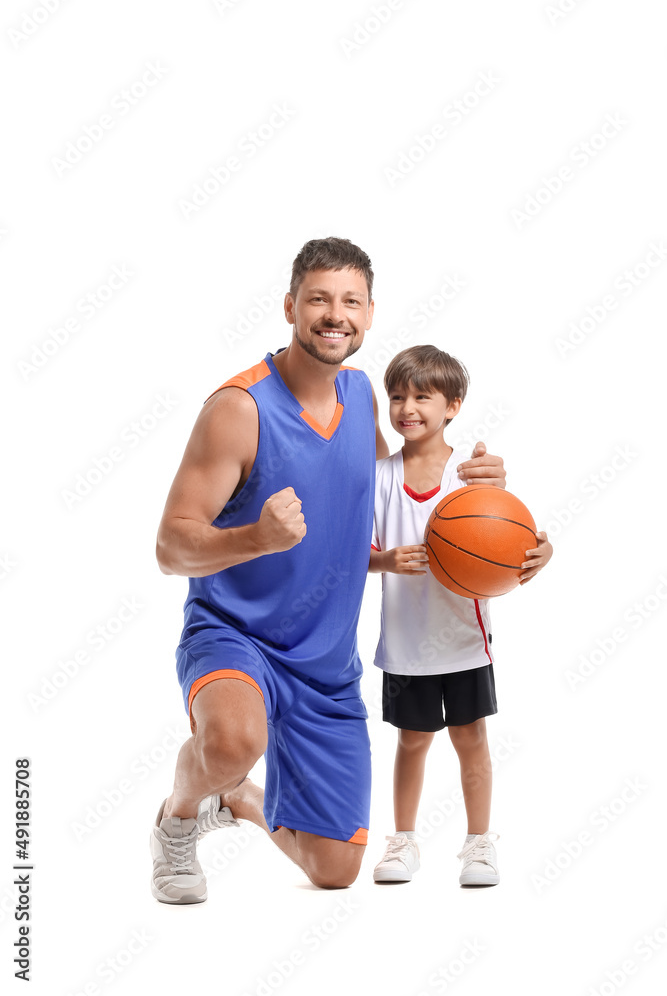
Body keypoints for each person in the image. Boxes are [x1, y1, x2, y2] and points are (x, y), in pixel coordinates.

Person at [149, 238, 508, 903]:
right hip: (236, 634)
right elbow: (171, 548)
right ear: (290, 306)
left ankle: (238, 801)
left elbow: (393, 492)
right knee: (232, 741)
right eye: (317, 298)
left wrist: (487, 500)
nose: (333, 314)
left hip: (324, 662)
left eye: (349, 301)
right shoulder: (238, 409)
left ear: (370, 314)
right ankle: (177, 817)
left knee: (334, 869)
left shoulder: (362, 395)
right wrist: (255, 536)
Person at [369, 345, 552, 886]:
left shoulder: (473, 478)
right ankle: (402, 841)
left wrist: (544, 553)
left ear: (453, 405)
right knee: (411, 741)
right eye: (397, 396)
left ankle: (479, 843)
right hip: (405, 641)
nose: (407, 407)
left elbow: (515, 540)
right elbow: (351, 553)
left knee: (471, 737)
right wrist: (384, 560)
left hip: (464, 639)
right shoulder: (379, 477)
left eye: (422, 396)